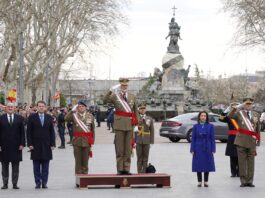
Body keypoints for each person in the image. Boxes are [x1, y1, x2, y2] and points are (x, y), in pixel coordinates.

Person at [103, 78, 138, 175]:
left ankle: (126, 169)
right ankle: (120, 169)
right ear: (120, 86)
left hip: (130, 125)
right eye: (122, 85)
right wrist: (110, 90)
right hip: (119, 125)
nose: (124, 87)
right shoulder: (115, 96)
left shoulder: (132, 96)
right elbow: (104, 101)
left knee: (128, 149)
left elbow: (135, 111)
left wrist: (136, 124)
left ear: (128, 86)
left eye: (126, 85)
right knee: (119, 149)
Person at [228, 97, 260, 187]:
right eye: (246, 104)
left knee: (251, 163)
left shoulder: (256, 114)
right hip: (241, 141)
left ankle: (250, 181)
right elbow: (230, 116)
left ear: (252, 104)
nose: (248, 105)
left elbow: (257, 129)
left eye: (250, 104)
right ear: (243, 104)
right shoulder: (239, 113)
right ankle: (243, 181)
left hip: (252, 141)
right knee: (242, 162)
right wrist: (234, 108)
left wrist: (258, 141)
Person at [27, 101, 56, 189]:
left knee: (45, 166)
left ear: (45, 107)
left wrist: (52, 144)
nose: (41, 108)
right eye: (39, 106)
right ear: (36, 107)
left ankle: (44, 182)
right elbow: (28, 132)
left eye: (43, 106)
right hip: (35, 145)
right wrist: (30, 144)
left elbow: (52, 132)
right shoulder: (32, 117)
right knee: (36, 166)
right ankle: (37, 182)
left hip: (47, 145)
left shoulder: (49, 117)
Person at [64, 100, 95, 174]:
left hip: (87, 141)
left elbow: (92, 129)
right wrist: (72, 111)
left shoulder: (90, 116)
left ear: (85, 107)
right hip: (77, 141)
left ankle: (85, 178)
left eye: (82, 106)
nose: (81, 108)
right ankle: (79, 180)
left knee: (85, 162)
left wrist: (92, 141)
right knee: (78, 162)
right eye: (79, 106)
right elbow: (66, 119)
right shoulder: (74, 115)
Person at [0, 103, 25, 189]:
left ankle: (15, 183)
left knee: (15, 166)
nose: (10, 108)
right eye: (8, 107)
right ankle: (5, 183)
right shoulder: (1, 118)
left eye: (12, 107)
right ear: (5, 108)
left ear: (14, 108)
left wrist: (22, 144)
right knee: (4, 166)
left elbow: (22, 132)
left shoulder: (19, 118)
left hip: (16, 146)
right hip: (4, 146)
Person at [190, 111, 216, 187]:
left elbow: (212, 138)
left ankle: (206, 181)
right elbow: (193, 138)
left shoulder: (211, 126)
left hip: (207, 147)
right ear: (199, 117)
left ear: (206, 117)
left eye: (205, 116)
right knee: (198, 164)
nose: (203, 117)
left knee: (207, 164)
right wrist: (192, 149)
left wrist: (213, 148)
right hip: (198, 147)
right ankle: (199, 181)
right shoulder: (195, 126)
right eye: (202, 116)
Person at [219, 102, 240, 177]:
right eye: (234, 108)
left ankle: (239, 172)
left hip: (240, 138)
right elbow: (221, 119)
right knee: (232, 156)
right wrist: (227, 109)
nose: (235, 110)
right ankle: (233, 172)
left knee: (240, 155)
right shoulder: (229, 118)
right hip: (232, 138)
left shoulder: (241, 116)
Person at [136, 103, 154, 173]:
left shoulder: (149, 118)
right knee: (139, 157)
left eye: (144, 109)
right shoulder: (136, 117)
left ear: (145, 110)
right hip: (139, 140)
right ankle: (139, 172)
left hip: (147, 140)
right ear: (139, 110)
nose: (142, 110)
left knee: (145, 157)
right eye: (141, 109)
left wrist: (152, 142)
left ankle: (144, 173)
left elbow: (152, 130)